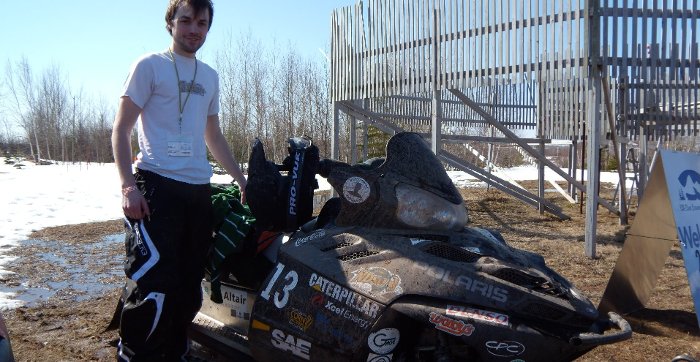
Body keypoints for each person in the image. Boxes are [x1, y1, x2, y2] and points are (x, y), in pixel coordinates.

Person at [110, 0, 247, 360]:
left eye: (202, 23)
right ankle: (135, 355)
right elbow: (121, 129)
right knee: (156, 282)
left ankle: (174, 353)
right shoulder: (149, 65)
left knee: (188, 286)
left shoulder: (210, 76)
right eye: (186, 20)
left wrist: (241, 179)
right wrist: (128, 187)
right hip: (156, 187)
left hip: (198, 193)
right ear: (171, 23)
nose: (194, 30)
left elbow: (213, 135)